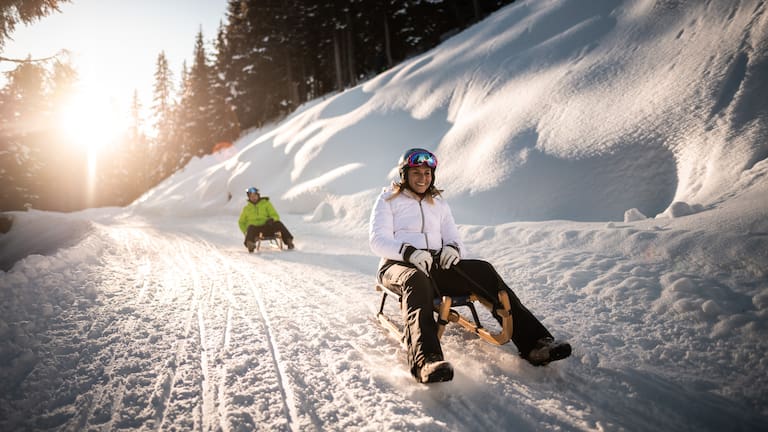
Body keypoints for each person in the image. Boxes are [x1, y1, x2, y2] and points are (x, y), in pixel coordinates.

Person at [369, 148, 571, 384]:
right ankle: (426, 360)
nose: (423, 178)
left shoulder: (439, 204)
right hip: (397, 265)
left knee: (483, 270)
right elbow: (377, 240)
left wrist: (452, 249)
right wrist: (408, 252)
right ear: (404, 174)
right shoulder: (388, 200)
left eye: (427, 172)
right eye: (416, 172)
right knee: (416, 280)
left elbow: (454, 238)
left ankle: (535, 344)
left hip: (433, 265)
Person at [239, 187, 295, 251]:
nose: (253, 198)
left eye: (255, 195)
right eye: (251, 196)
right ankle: (250, 244)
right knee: (250, 227)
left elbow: (275, 215)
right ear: (249, 198)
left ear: (258, 195)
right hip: (255, 231)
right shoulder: (246, 208)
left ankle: (288, 241)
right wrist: (245, 232)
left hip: (267, 227)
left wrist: (272, 219)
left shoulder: (266, 204)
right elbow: (241, 222)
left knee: (278, 223)